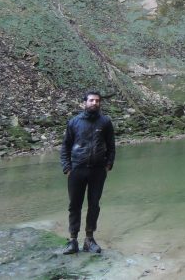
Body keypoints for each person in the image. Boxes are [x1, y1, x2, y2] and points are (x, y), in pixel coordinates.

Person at [60, 89, 116, 254]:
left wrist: (108, 165)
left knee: (94, 205)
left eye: (97, 101)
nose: (94, 103)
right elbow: (65, 146)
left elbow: (111, 146)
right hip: (77, 169)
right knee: (74, 205)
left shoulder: (105, 122)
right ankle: (73, 240)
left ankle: (89, 240)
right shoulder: (74, 122)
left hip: (98, 171)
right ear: (84, 103)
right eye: (91, 100)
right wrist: (67, 168)